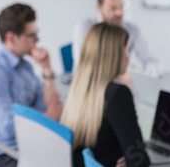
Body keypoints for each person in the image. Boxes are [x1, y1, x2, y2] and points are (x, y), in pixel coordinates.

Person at [0, 3, 63, 167]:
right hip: (6, 153)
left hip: (30, 142)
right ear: (12, 38)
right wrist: (50, 117)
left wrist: (47, 67)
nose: (38, 40)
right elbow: (8, 129)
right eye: (32, 35)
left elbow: (47, 103)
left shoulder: (24, 65)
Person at [62, 22, 150, 167]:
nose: (128, 58)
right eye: (126, 51)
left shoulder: (79, 88)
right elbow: (140, 162)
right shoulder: (118, 93)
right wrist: (130, 86)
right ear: (114, 56)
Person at [72, 0, 162, 76]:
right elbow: (82, 66)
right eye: (112, 8)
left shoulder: (132, 29)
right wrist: (119, 69)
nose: (119, 12)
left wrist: (139, 72)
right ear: (99, 7)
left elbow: (155, 64)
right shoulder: (86, 28)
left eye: (121, 7)